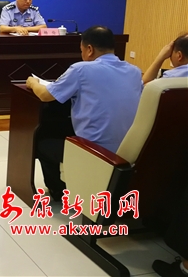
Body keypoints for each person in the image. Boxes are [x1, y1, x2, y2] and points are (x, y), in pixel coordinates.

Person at [25, 26, 142, 200]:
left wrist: (33, 82)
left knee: (42, 142)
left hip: (95, 151)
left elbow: (45, 95)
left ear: (89, 49)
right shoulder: (135, 71)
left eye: (81, 50)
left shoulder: (81, 69)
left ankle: (59, 191)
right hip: (129, 149)